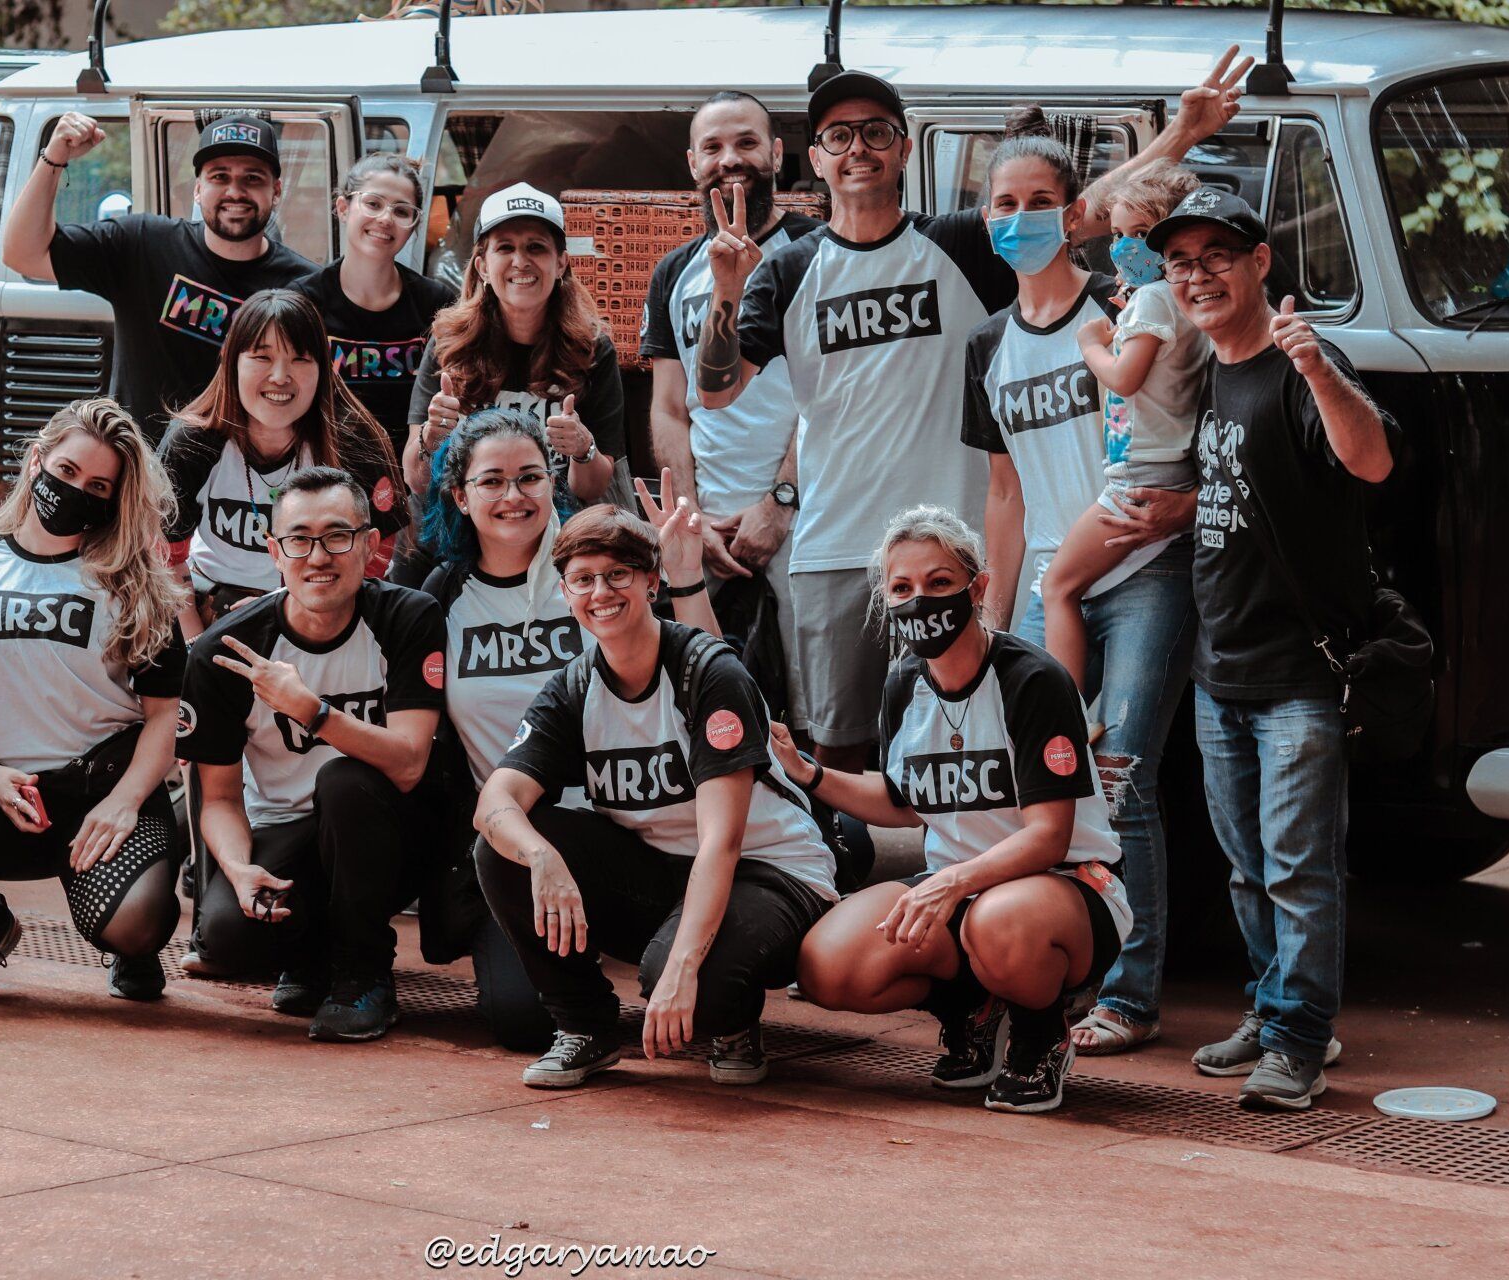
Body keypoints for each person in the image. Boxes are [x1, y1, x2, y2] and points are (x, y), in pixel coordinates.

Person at [694, 49, 1253, 773]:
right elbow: (717, 391)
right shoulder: (789, 268)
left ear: (903, 150)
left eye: (876, 132)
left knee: (963, 746)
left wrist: (1183, 133)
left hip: (952, 554)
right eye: (838, 135)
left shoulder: (957, 242)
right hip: (835, 547)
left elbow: (1073, 209)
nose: (858, 148)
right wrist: (727, 289)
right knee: (839, 748)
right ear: (816, 158)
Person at [1151, 188, 1396, 1109]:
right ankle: (1273, 1008)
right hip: (1221, 668)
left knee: (1299, 869)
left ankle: (1298, 1040)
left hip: (1298, 673)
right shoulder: (1209, 370)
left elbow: (1372, 461)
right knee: (1249, 870)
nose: (1198, 275)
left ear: (1260, 263)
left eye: (1218, 255)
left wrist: (1318, 369)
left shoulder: (1301, 362)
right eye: (1181, 262)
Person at [959, 122, 1200, 1058]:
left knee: (1122, 779)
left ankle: (1131, 998)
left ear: (1074, 215)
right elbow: (1004, 493)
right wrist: (992, 621)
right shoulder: (988, 343)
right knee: (1044, 788)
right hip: (1045, 584)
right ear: (985, 217)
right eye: (1003, 204)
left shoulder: (1126, 302)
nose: (1019, 218)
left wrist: (1187, 504)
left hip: (1141, 569)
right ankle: (1040, 978)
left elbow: (1195, 413)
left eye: (1038, 202)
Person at [473, 504, 835, 1091]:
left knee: (693, 988)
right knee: (504, 848)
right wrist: (541, 857)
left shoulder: (708, 672)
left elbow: (722, 842)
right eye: (583, 579)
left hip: (767, 870)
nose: (601, 592)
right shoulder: (574, 686)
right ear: (565, 593)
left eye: (617, 574)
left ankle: (733, 1019)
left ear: (651, 580)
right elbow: (495, 800)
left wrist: (684, 967)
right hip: (661, 871)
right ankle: (584, 1027)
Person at [781, 506, 1129, 1114]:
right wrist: (807, 772)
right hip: (960, 890)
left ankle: (1040, 1034)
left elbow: (1048, 837)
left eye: (939, 582)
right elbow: (903, 802)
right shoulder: (903, 681)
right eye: (902, 587)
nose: (920, 600)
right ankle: (972, 1008)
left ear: (978, 586)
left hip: (1065, 886)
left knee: (997, 921)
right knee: (828, 966)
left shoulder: (1032, 679)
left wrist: (949, 883)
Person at [418, 411, 723, 1048]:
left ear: (552, 483)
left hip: (639, 820)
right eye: (492, 481)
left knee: (710, 992)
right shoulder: (443, 595)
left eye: (530, 477)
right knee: (523, 1021)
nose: (513, 495)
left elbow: (709, 672)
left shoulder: (593, 570)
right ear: (460, 496)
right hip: (522, 831)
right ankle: (587, 995)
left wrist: (686, 574)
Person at [0, 398, 188, 1004]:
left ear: (114, 500)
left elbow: (163, 717)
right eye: (67, 470)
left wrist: (124, 802)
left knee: (138, 922)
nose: (76, 490)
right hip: (5, 790)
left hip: (103, 790)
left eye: (97, 486)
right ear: (36, 461)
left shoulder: (132, 581)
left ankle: (130, 946)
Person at [175, 467, 446, 1043]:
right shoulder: (226, 650)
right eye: (299, 539)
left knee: (344, 782)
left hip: (390, 830)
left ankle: (363, 974)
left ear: (370, 545)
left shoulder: (408, 616)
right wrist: (238, 869)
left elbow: (408, 763)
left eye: (337, 536)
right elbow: (218, 799)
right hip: (288, 832)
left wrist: (312, 711)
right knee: (226, 936)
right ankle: (313, 955)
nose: (318, 556)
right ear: (274, 551)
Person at [641, 90, 816, 723]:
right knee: (710, 706)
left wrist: (781, 502)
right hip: (709, 529)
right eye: (712, 147)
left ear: (777, 153)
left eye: (746, 142)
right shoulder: (674, 272)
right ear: (693, 163)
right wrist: (690, 516)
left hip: (811, 521)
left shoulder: (818, 252)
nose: (729, 158)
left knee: (812, 714)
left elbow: (833, 396)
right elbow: (669, 407)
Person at [2, 111, 314, 441]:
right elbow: (23, 254)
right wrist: (54, 157)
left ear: (276, 191)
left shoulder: (305, 288)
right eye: (219, 177)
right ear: (198, 190)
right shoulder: (142, 244)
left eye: (252, 178)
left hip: (243, 472)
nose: (235, 191)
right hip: (141, 466)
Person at [1048, 160, 1210, 710]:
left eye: (1141, 234)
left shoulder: (1155, 299)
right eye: (1117, 234)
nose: (1122, 248)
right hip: (1168, 468)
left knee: (1058, 587)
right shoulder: (1181, 299)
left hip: (1137, 477)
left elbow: (1124, 378)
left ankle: (1063, 721)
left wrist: (1091, 343)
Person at [160, 290, 408, 627]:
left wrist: (300, 614)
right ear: (232, 362)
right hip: (205, 602)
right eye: (262, 357)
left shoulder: (352, 442)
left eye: (300, 359)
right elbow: (164, 554)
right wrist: (195, 641)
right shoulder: (192, 442)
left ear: (323, 369)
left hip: (323, 608)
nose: (280, 376)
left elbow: (379, 550)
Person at [406, 184, 627, 511]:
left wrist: (583, 448)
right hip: (468, 523)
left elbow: (593, 489)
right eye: (505, 247)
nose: (520, 261)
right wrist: (431, 436)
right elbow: (417, 482)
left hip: (559, 523)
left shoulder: (592, 349)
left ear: (561, 264)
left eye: (536, 247)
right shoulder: (448, 343)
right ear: (483, 267)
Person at [292, 154, 458, 458]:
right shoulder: (303, 301)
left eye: (401, 211)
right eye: (373, 203)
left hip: (412, 473)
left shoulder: (437, 304)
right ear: (343, 208)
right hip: (323, 471)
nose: (385, 218)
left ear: (414, 224)